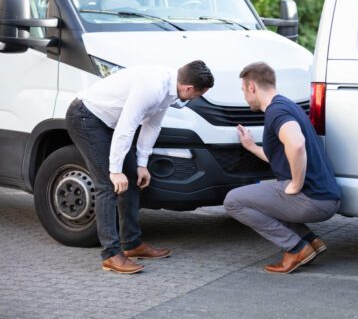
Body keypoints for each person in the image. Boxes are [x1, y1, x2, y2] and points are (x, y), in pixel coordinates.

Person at [66, 60, 214, 274]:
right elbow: (127, 127)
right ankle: (110, 255)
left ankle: (132, 244)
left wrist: (142, 164)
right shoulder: (152, 87)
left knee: (132, 179)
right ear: (189, 88)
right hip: (86, 117)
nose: (196, 98)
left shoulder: (172, 89)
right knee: (108, 184)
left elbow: (152, 125)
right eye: (198, 94)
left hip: (110, 124)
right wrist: (115, 170)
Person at [224, 62, 341, 274]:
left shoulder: (275, 112)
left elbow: (296, 144)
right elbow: (282, 156)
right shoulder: (287, 105)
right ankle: (310, 241)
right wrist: (251, 147)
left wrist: (296, 184)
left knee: (233, 201)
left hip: (311, 199)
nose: (244, 97)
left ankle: (296, 248)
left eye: (243, 90)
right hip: (326, 197)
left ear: (252, 87)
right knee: (262, 198)